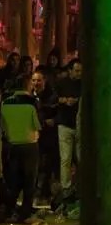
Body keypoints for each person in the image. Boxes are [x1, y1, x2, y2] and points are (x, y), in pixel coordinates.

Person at [0, 75, 42, 223]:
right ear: (27, 85)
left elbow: (2, 126)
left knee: (13, 179)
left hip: (11, 145)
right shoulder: (33, 103)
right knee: (29, 180)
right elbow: (37, 125)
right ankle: (25, 211)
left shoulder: (5, 103)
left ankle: (9, 209)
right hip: (29, 144)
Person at [31, 68, 60, 204]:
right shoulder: (29, 96)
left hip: (48, 136)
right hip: (33, 135)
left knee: (46, 165)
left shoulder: (52, 96)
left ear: (44, 81)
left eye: (39, 80)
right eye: (34, 80)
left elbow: (55, 112)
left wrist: (52, 121)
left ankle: (44, 194)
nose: (36, 83)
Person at [55, 59, 81, 195]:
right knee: (65, 158)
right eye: (76, 70)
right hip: (65, 124)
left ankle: (80, 187)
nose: (79, 74)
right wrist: (65, 100)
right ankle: (66, 188)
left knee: (80, 158)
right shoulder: (62, 83)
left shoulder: (83, 84)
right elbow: (54, 98)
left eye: (80, 71)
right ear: (70, 70)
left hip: (79, 126)